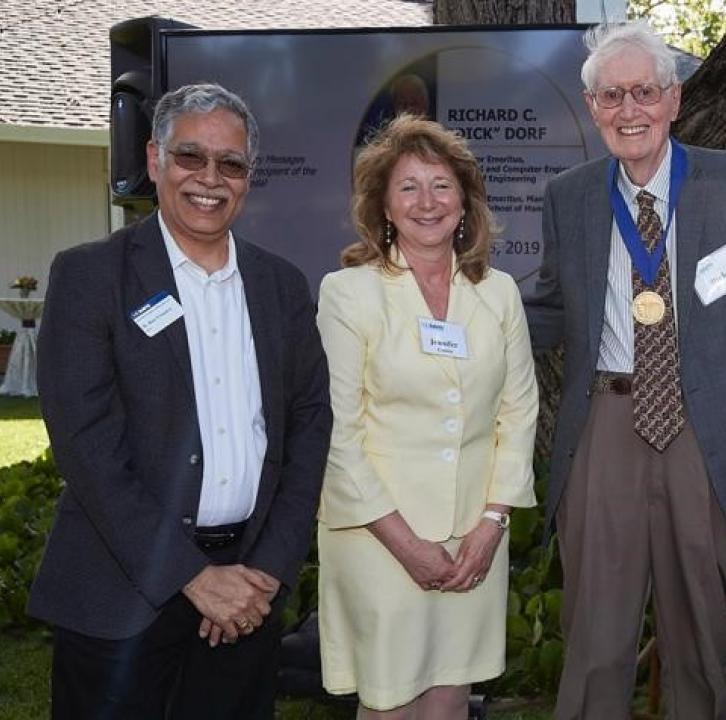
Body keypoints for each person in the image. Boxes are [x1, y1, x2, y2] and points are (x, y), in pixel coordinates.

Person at [525, 21, 726, 719]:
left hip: (706, 433)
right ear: (592, 107)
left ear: (674, 99)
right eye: (611, 96)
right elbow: (547, 309)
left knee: (700, 642)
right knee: (595, 642)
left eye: (643, 92)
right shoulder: (570, 196)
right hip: (604, 428)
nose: (628, 110)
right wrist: (460, 313)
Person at [28, 83, 332, 719]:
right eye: (191, 156)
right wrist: (191, 576)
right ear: (154, 159)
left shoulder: (281, 286)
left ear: (249, 176)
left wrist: (267, 572)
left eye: (231, 163)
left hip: (247, 592)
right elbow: (87, 448)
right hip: (121, 594)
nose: (210, 178)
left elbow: (309, 427)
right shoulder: (90, 277)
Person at [316, 114, 538, 718]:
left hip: (474, 540)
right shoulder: (349, 293)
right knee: (389, 702)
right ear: (384, 206)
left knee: (450, 696)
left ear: (464, 202)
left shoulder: (498, 293)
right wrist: (407, 545)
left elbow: (520, 411)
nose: (427, 201)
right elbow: (338, 434)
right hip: (379, 536)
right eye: (408, 187)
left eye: (442, 185)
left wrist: (492, 524)